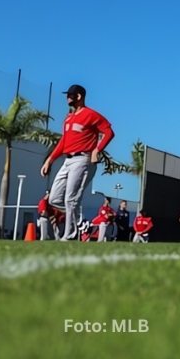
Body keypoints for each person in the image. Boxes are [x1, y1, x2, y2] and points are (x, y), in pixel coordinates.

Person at [41, 84, 115, 241]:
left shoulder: (91, 114)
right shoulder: (68, 118)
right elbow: (63, 141)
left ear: (79, 96)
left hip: (83, 160)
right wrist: (50, 160)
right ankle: (81, 222)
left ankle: (70, 234)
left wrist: (97, 150)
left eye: (70, 95)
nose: (67, 98)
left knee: (71, 199)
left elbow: (109, 132)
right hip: (67, 160)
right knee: (54, 198)